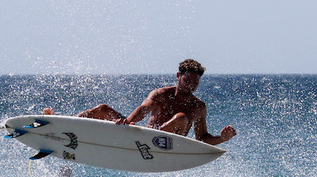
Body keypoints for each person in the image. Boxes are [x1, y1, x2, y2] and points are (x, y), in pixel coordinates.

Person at [44, 59, 236, 146]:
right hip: (143, 136)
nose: (191, 85)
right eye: (188, 80)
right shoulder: (161, 94)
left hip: (169, 145)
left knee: (181, 118)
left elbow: (201, 138)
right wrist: (128, 121)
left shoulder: (198, 107)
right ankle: (62, 124)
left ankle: (150, 137)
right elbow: (144, 109)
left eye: (195, 82)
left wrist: (222, 138)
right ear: (178, 76)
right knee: (103, 109)